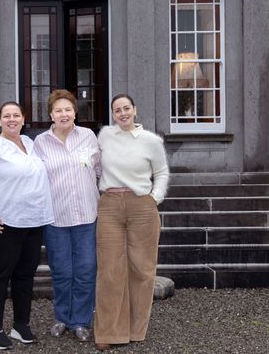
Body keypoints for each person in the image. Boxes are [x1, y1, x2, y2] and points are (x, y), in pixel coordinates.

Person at [0, 101, 54, 351]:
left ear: (23, 119)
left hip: (32, 221)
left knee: (25, 275)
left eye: (16, 115)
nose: (12, 119)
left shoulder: (30, 144)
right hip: (2, 222)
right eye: (7, 116)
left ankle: (21, 325)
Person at [93, 93, 170, 351]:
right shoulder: (104, 136)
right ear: (113, 115)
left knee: (142, 269)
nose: (123, 113)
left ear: (135, 110)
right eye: (117, 110)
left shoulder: (151, 141)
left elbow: (161, 173)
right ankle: (109, 331)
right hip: (110, 205)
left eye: (127, 108)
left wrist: (154, 199)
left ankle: (137, 329)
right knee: (109, 270)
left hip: (142, 205)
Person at [32, 89, 101, 342]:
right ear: (50, 114)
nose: (64, 114)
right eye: (58, 110)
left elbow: (102, 170)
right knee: (61, 271)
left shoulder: (89, 137)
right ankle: (62, 317)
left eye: (68, 109)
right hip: (56, 218)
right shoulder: (40, 142)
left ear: (75, 112)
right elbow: (33, 180)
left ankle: (81, 321)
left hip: (86, 216)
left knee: (85, 270)